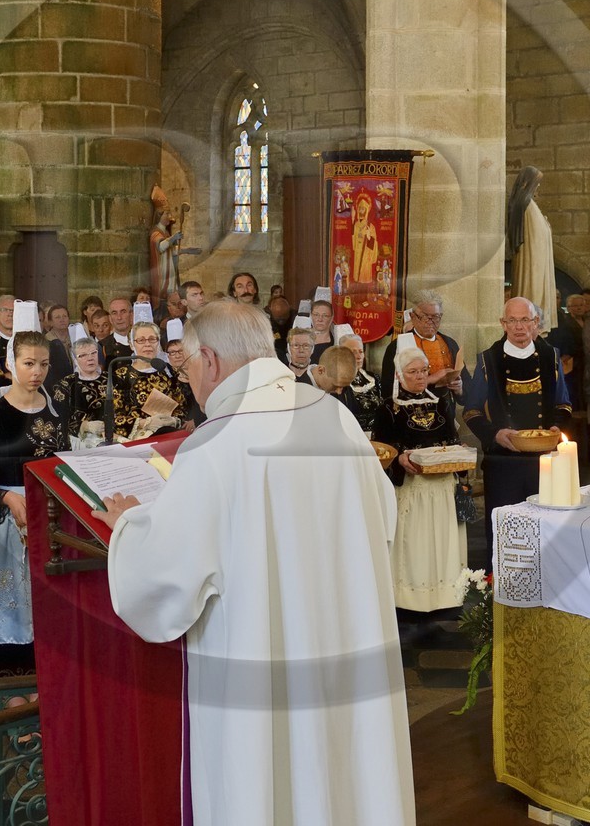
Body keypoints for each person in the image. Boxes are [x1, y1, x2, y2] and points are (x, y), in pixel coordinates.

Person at [95, 302, 413, 825]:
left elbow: (163, 580)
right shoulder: (335, 415)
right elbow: (382, 517)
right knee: (347, 773)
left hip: (260, 660)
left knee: (268, 778)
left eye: (188, 366)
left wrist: (128, 526)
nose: (189, 380)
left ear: (211, 360)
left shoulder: (215, 442)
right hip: (344, 640)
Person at [0, 332, 65, 678]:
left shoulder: (56, 413)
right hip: (6, 520)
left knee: (48, 598)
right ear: (11, 364)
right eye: (28, 363)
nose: (37, 371)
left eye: (44, 364)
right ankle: (11, 685)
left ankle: (47, 681)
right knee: (7, 598)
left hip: (50, 515)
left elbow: (63, 466)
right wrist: (7, 497)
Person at [462, 297, 573, 553]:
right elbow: (471, 411)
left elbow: (564, 404)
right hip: (503, 464)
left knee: (544, 532)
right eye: (512, 320)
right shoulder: (488, 360)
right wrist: (495, 434)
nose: (519, 327)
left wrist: (556, 428)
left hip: (544, 462)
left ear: (536, 322)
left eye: (525, 320)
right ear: (503, 323)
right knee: (505, 533)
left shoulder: (550, 356)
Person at [372, 346, 465, 615]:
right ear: (399, 375)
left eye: (424, 370)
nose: (420, 376)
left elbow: (453, 439)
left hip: (442, 487)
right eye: (413, 372)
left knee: (442, 541)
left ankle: (445, 596)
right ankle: (410, 599)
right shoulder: (388, 408)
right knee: (416, 544)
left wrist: (457, 454)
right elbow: (381, 449)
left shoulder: (441, 402)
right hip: (413, 490)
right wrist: (399, 458)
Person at [379, 290, 463, 405]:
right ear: (412, 316)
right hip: (411, 411)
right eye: (424, 316)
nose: (430, 322)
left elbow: (466, 391)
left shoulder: (450, 344)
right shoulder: (397, 347)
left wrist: (459, 388)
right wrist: (431, 379)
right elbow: (388, 390)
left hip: (446, 410)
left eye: (435, 317)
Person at [107, 321, 184, 439]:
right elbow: (113, 418)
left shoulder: (168, 371)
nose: (147, 344)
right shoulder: (120, 376)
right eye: (141, 340)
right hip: (137, 440)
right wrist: (145, 423)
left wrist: (174, 420)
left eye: (152, 339)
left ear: (158, 343)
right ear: (131, 344)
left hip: (170, 434)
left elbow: (182, 407)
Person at [507, 166, 558, 334]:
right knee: (533, 291)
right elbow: (535, 236)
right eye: (537, 182)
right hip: (532, 261)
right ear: (527, 183)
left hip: (537, 260)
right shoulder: (525, 204)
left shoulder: (527, 204)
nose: (538, 186)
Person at [50, 337, 106, 440]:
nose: (90, 358)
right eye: (83, 355)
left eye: (93, 353)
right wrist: (84, 426)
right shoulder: (66, 385)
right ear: (75, 360)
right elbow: (59, 418)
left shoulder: (111, 379)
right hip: (82, 440)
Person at [333, 333, 383, 435]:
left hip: (377, 435)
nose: (359, 356)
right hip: (351, 434)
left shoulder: (374, 378)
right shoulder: (336, 382)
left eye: (361, 351)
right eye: (353, 352)